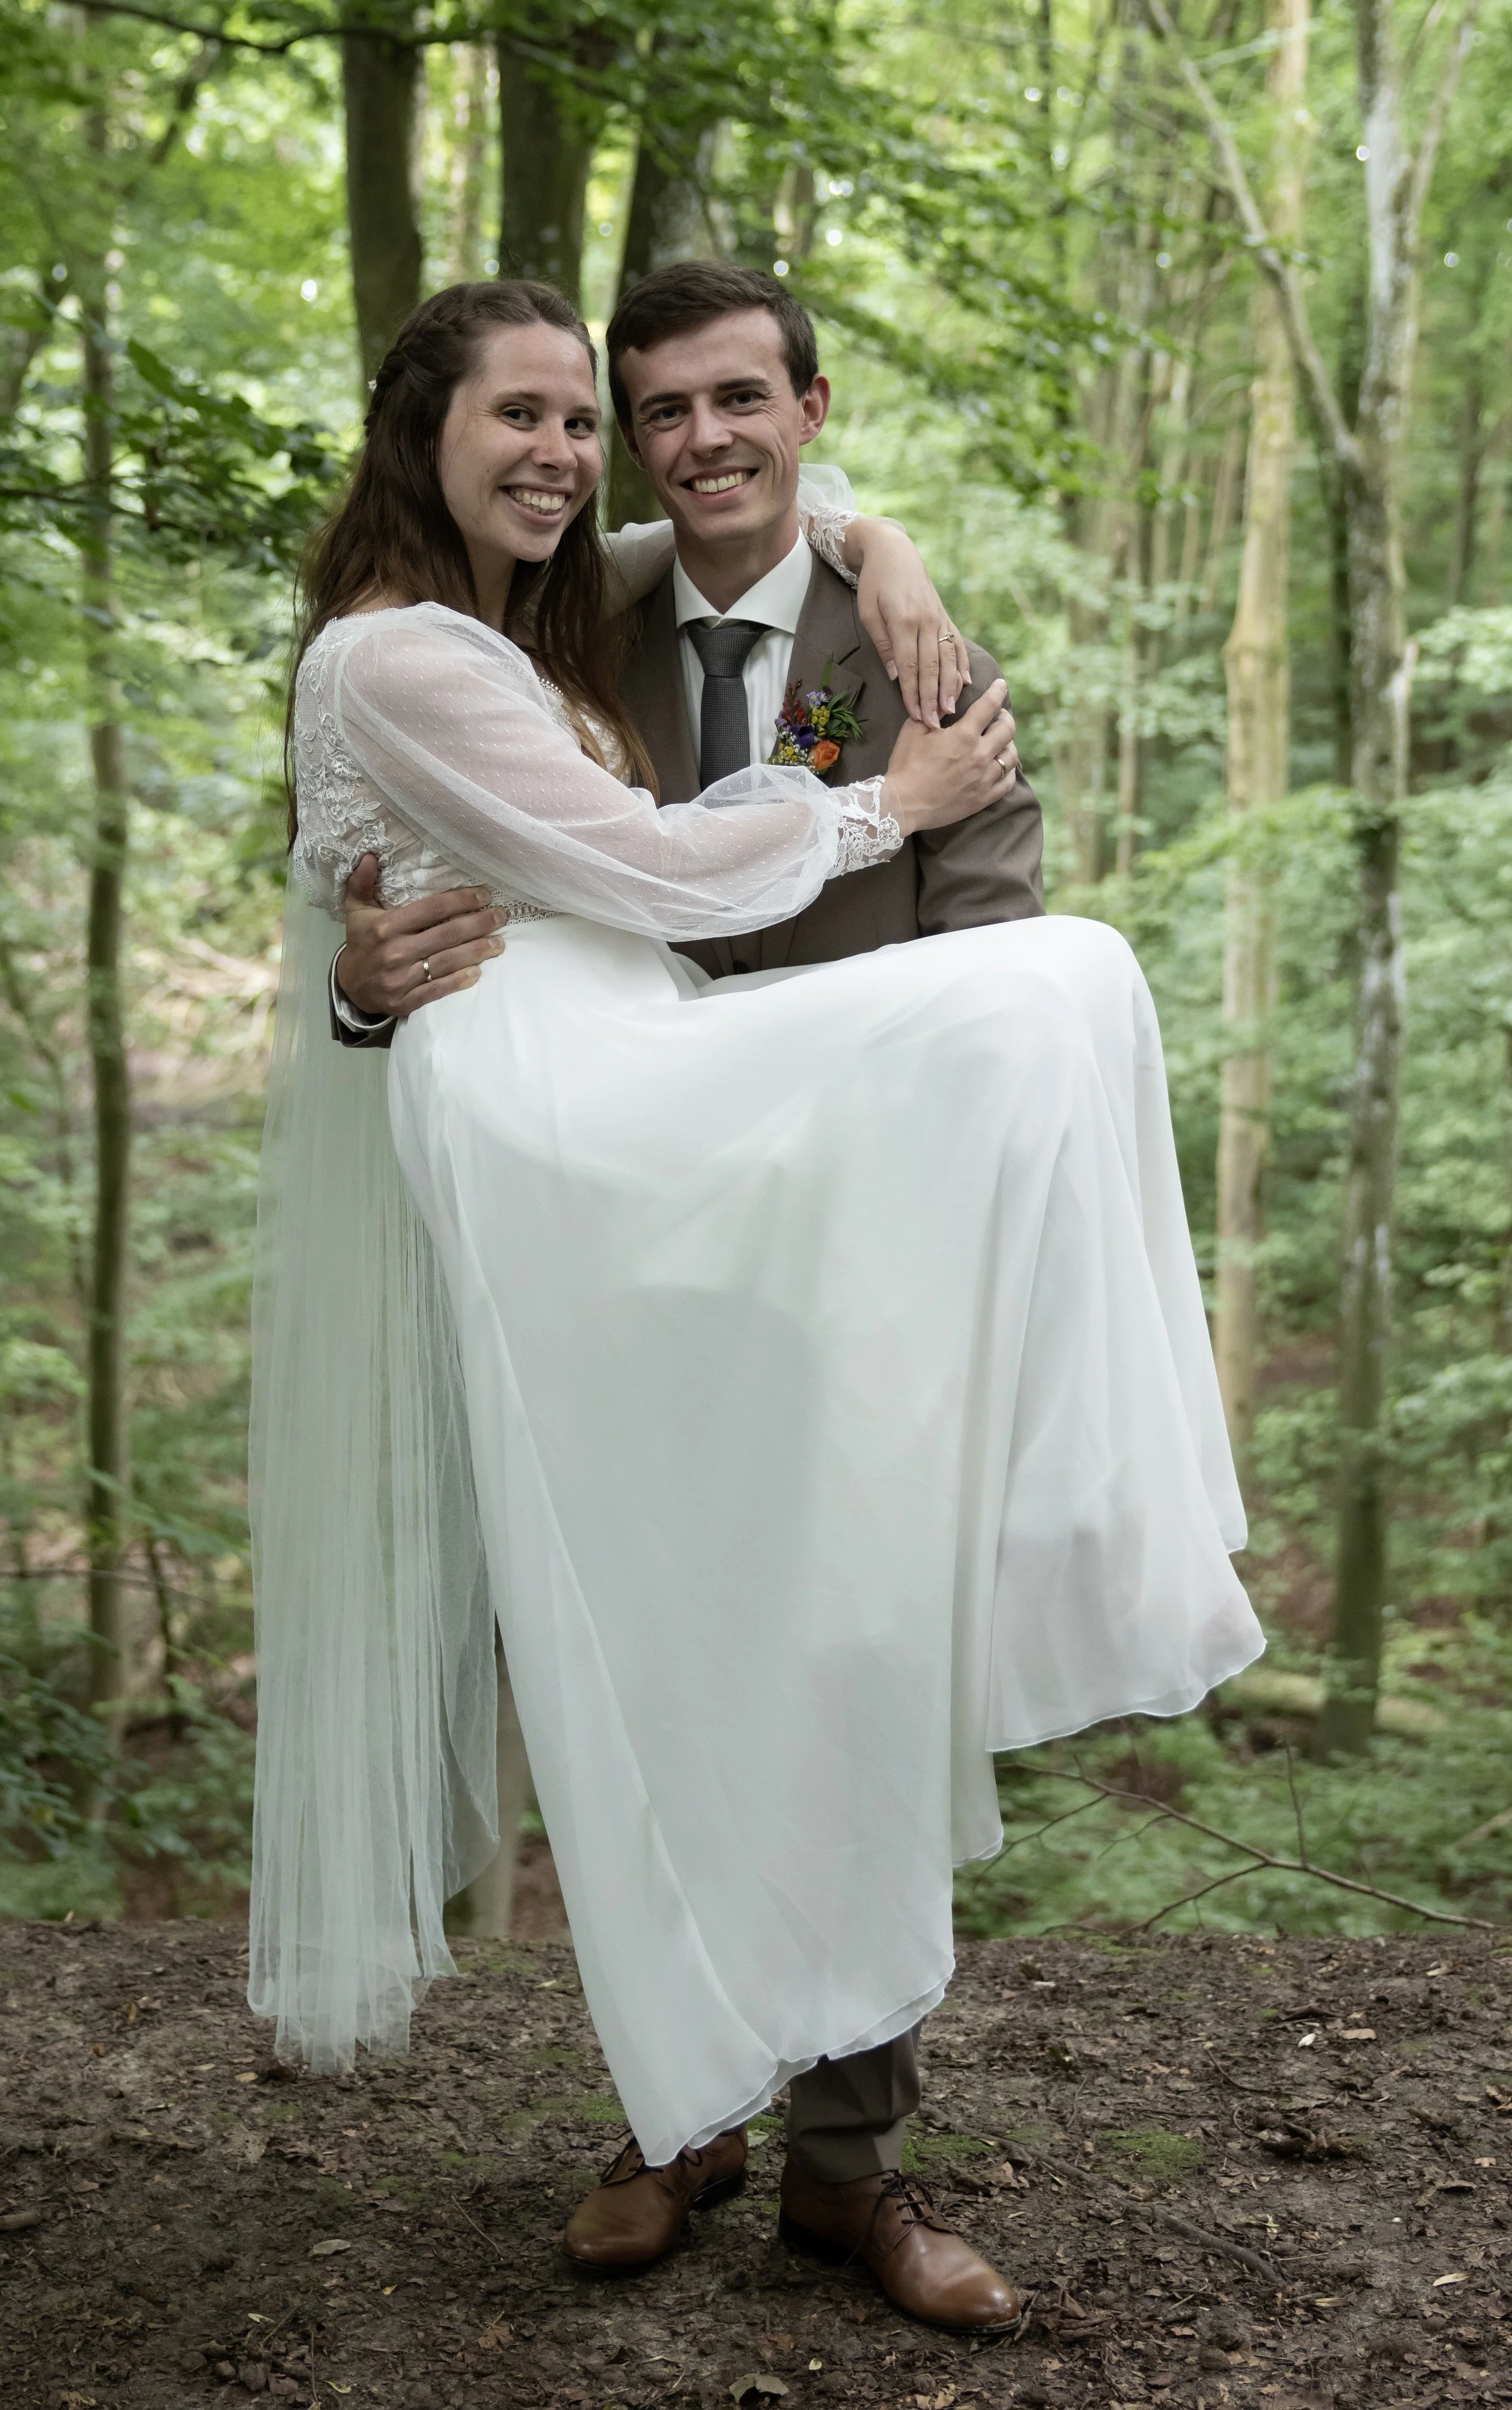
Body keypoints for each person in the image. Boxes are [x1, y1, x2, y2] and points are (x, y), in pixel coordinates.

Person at [249, 278, 1263, 2340]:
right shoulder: (559, 613)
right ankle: (671, 2110)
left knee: (859, 1647)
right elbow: (409, 885)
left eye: (739, 401)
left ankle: (844, 2163)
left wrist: (881, 555)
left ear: (811, 409)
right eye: (640, 413)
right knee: (634, 1653)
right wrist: (360, 991)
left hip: (855, 1242)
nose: (686, 440)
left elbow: (980, 926)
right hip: (622, 1203)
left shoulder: (909, 647)